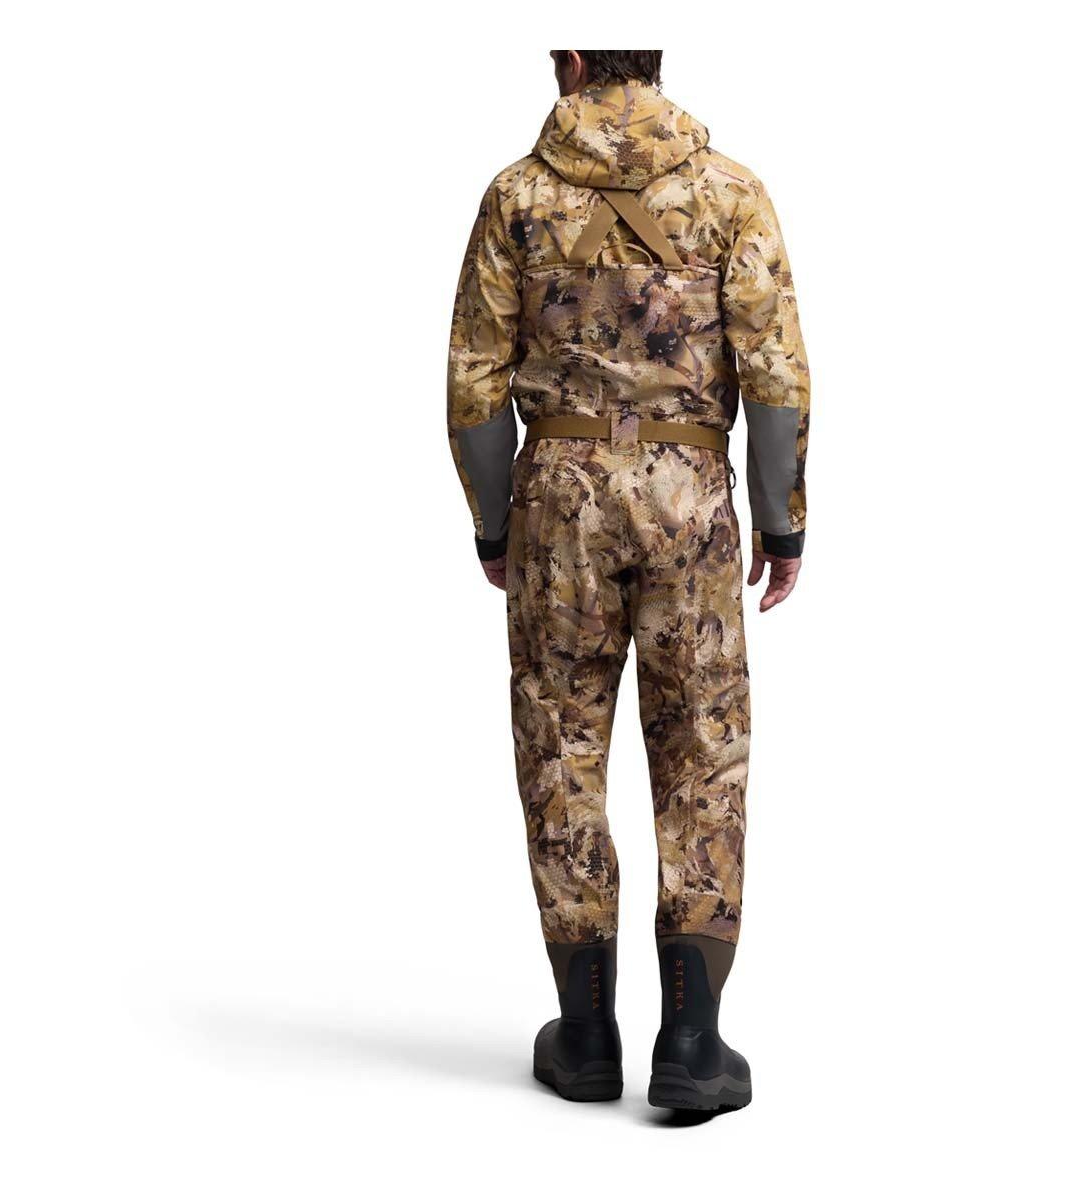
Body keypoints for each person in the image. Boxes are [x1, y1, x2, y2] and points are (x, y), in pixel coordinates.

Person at [447, 50, 809, 1112]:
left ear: (567, 61)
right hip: (690, 495)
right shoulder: (732, 191)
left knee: (560, 747)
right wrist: (781, 517)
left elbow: (473, 382)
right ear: (655, 59)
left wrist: (494, 521)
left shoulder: (516, 196)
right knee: (702, 746)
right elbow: (777, 372)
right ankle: (691, 1039)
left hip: (557, 500)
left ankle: (587, 1034)